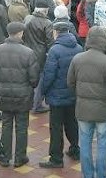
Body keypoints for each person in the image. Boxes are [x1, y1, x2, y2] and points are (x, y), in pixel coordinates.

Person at [67, 26, 106, 178]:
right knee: (103, 145)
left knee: (84, 144)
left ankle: (87, 175)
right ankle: (101, 175)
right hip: (104, 111)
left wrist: (81, 95)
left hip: (83, 110)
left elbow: (70, 83)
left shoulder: (77, 59)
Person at [0, 22, 39, 168]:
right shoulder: (28, 52)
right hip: (23, 96)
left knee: (6, 125)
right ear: (21, 33)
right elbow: (34, 79)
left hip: (3, 94)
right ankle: (20, 157)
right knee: (22, 127)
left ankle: (4, 157)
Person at [40, 21, 83, 168]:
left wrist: (43, 91)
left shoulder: (54, 50)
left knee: (56, 127)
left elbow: (49, 75)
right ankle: (75, 149)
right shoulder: (79, 48)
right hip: (73, 94)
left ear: (56, 32)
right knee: (72, 123)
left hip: (57, 96)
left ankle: (56, 159)